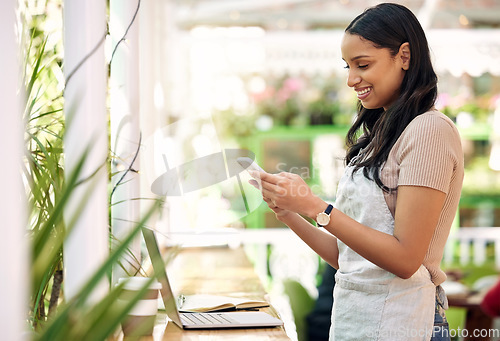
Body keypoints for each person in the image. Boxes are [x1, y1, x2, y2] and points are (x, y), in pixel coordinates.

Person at [250, 3, 464, 340]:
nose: (351, 79)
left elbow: (407, 260)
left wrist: (315, 207)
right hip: (358, 322)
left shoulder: (430, 131)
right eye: (348, 67)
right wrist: (290, 212)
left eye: (363, 65)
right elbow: (348, 258)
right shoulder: (381, 134)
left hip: (406, 322)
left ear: (404, 56)